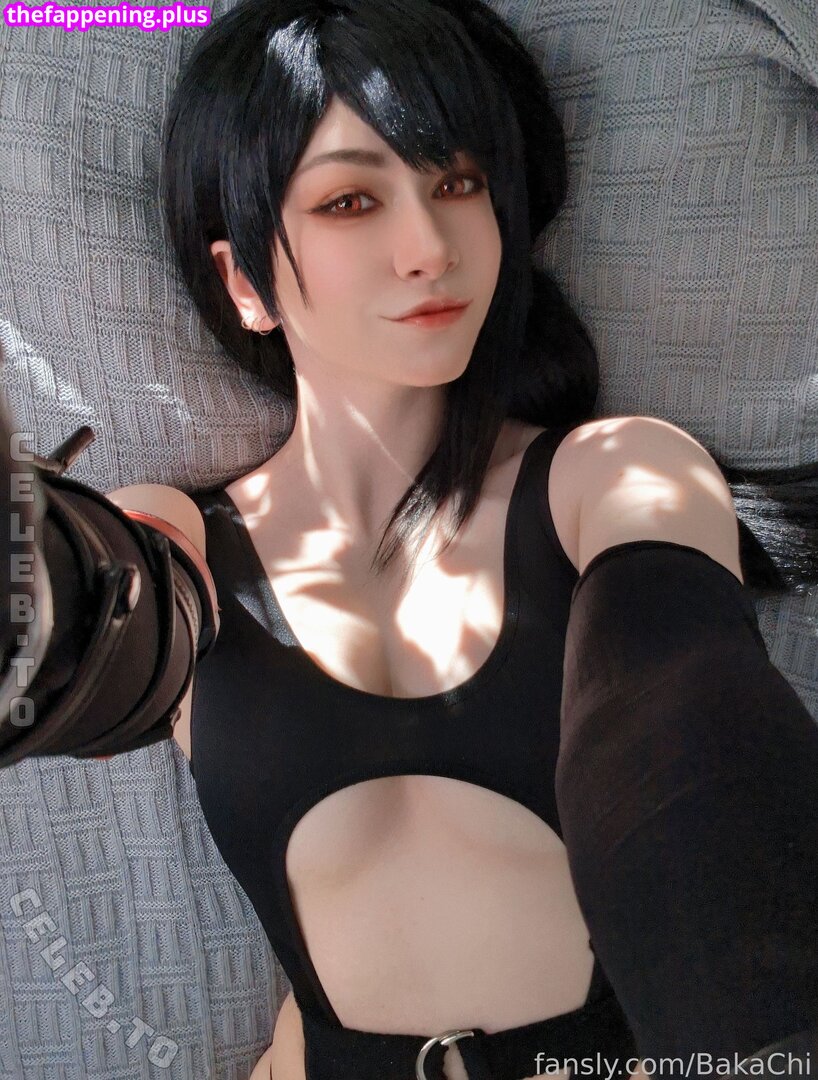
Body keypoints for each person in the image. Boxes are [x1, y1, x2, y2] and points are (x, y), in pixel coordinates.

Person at [1, 1, 817, 1078]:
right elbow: (106, 612)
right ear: (245, 282)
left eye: (458, 183)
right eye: (350, 199)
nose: (430, 247)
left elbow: (687, 725)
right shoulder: (184, 535)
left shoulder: (612, 475)